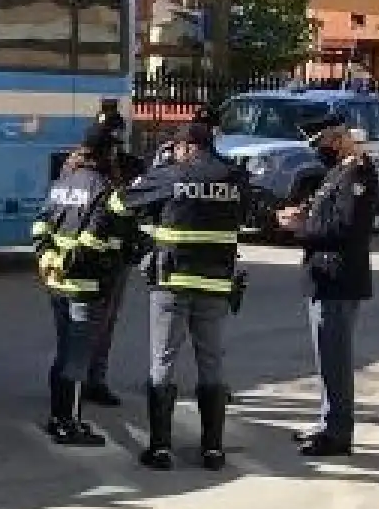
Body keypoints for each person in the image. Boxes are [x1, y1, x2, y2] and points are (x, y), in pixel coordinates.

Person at [101, 121, 248, 470]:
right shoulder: (234, 178)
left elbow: (120, 205)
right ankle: (212, 450)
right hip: (215, 285)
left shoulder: (172, 175)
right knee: (211, 363)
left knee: (162, 363)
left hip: (172, 283)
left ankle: (161, 448)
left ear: (186, 147)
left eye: (177, 147)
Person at [276, 113, 379, 458]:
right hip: (324, 277)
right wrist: (299, 216)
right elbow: (324, 214)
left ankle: (337, 433)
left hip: (338, 278)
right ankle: (327, 421)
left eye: (321, 142)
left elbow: (345, 229)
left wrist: (300, 229)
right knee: (326, 358)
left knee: (335, 359)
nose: (320, 150)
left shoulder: (358, 174)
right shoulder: (339, 172)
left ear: (337, 138)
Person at [30, 121, 131, 446]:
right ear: (107, 151)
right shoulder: (102, 187)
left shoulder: (63, 180)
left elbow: (39, 226)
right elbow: (93, 239)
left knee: (64, 353)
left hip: (57, 283)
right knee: (77, 359)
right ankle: (68, 423)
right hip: (84, 285)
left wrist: (49, 260)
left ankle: (58, 417)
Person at [82, 103, 143, 407]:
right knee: (84, 322)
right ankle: (78, 380)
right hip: (85, 257)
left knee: (105, 322)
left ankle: (95, 379)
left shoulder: (131, 167)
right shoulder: (79, 167)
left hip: (116, 256)